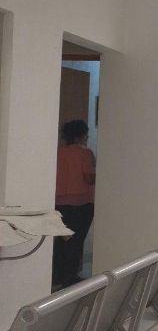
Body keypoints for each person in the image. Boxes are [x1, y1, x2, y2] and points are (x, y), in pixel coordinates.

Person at [54, 120, 96, 288]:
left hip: (59, 204)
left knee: (61, 241)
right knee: (76, 241)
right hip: (81, 204)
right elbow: (89, 177)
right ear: (81, 135)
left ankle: (57, 275)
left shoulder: (58, 153)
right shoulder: (85, 154)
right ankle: (70, 276)